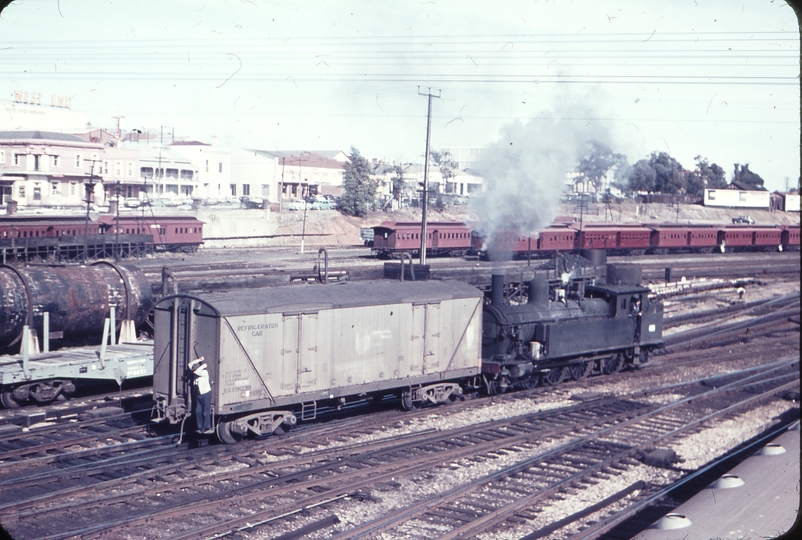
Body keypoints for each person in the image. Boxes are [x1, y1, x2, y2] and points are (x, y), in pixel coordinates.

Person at [188, 356, 213, 434]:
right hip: (198, 395)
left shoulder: (204, 373)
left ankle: (207, 427)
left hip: (205, 394)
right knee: (198, 411)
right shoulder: (197, 374)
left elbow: (197, 371)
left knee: (205, 411)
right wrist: (199, 360)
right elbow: (189, 365)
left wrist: (203, 366)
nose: (193, 371)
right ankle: (200, 427)